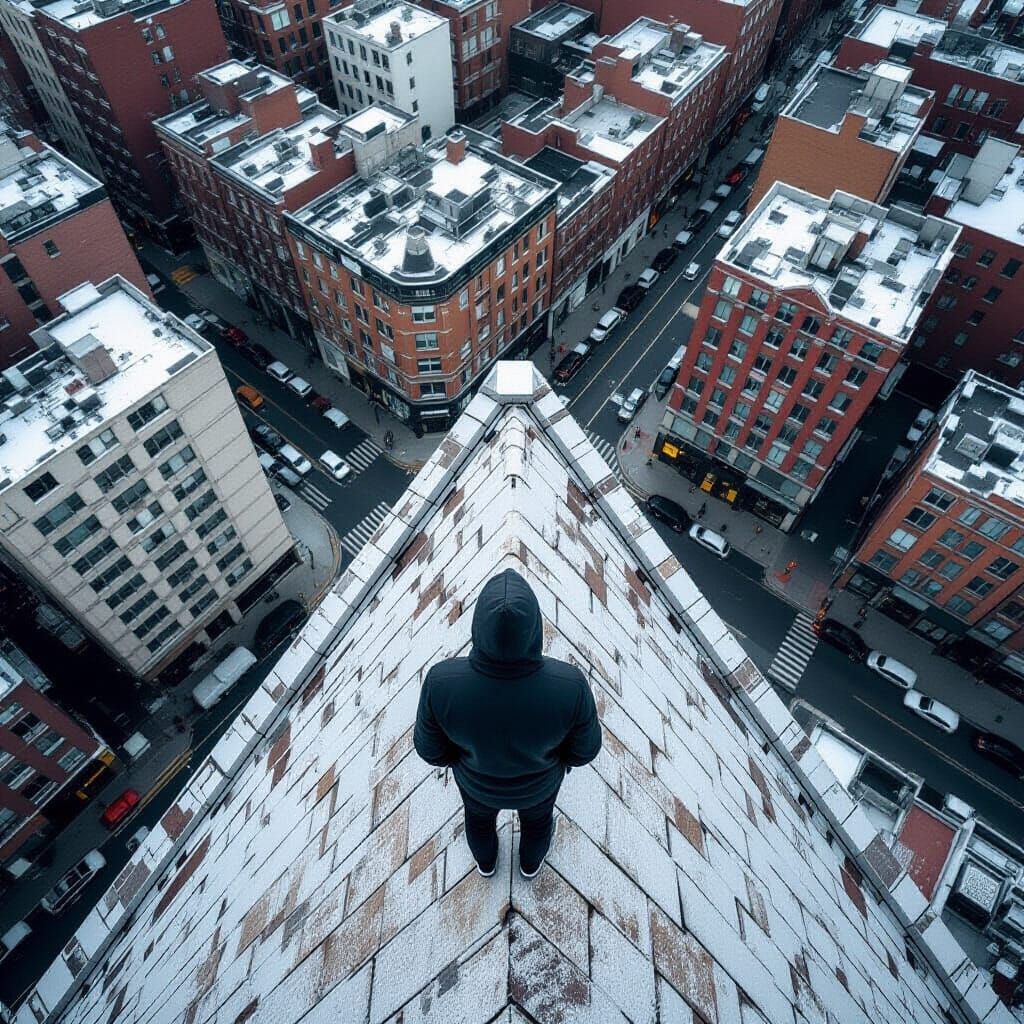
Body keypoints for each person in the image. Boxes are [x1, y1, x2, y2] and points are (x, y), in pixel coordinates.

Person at [414, 568, 601, 879]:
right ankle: (529, 865)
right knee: (538, 823)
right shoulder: (570, 685)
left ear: (478, 626)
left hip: (477, 785)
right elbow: (585, 752)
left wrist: (465, 761)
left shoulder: (441, 682)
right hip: (539, 787)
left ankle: (487, 864)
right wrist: (555, 763)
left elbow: (429, 750)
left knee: (478, 821)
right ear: (535, 628)